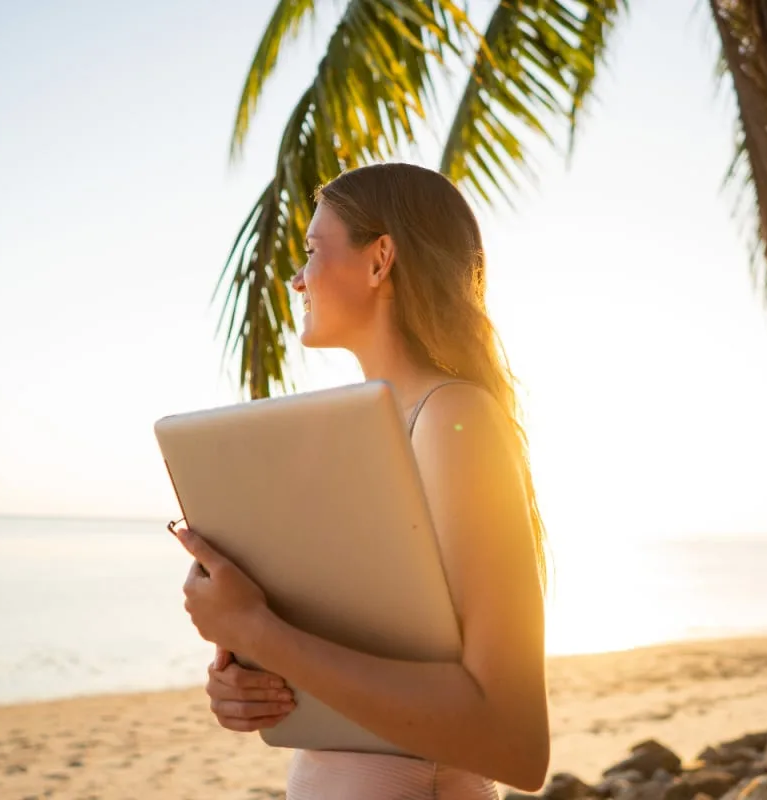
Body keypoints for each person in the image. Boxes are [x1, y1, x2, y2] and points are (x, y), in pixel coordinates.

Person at [172, 162, 550, 799]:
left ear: (380, 261)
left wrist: (258, 631)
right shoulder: (370, 431)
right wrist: (253, 677)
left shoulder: (454, 417)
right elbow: (377, 660)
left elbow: (512, 738)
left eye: (314, 250)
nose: (296, 278)